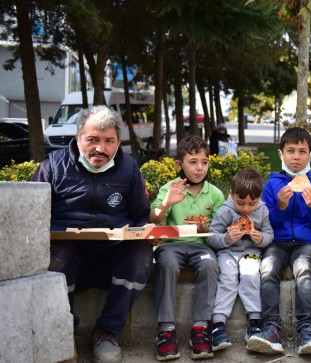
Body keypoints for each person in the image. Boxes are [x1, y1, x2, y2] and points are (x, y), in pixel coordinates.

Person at [31, 105, 154, 363]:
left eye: (109, 141)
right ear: (78, 139)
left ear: (118, 142)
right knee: (59, 254)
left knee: (141, 252)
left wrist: (144, 231)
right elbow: (32, 216)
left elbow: (141, 214)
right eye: (93, 140)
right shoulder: (52, 167)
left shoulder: (129, 168)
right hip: (66, 256)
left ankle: (107, 333)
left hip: (112, 257)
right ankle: (64, 334)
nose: (101, 148)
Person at [246, 127, 311, 355]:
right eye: (290, 151)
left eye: (302, 152)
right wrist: (280, 206)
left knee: (304, 270)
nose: (296, 157)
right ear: (281, 154)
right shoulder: (271, 186)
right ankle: (270, 326)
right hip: (277, 241)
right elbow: (266, 222)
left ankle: (309, 328)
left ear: (310, 156)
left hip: (305, 243)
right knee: (268, 268)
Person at [149, 135, 225, 361]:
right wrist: (167, 203)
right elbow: (153, 219)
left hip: (201, 246)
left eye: (204, 162)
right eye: (193, 162)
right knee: (167, 264)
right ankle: (166, 330)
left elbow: (219, 226)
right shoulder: (170, 189)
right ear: (179, 164)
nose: (199, 167)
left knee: (210, 264)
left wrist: (206, 226)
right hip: (172, 245)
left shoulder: (215, 194)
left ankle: (200, 328)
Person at [206, 168, 274, 351]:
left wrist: (262, 239)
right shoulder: (226, 211)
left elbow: (269, 234)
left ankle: (254, 322)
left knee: (251, 276)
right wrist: (227, 239)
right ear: (232, 194)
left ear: (259, 197)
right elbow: (211, 236)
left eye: (252, 203)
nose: (246, 209)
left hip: (251, 252)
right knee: (227, 277)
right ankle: (218, 324)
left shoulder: (262, 210)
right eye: (240, 202)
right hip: (227, 253)